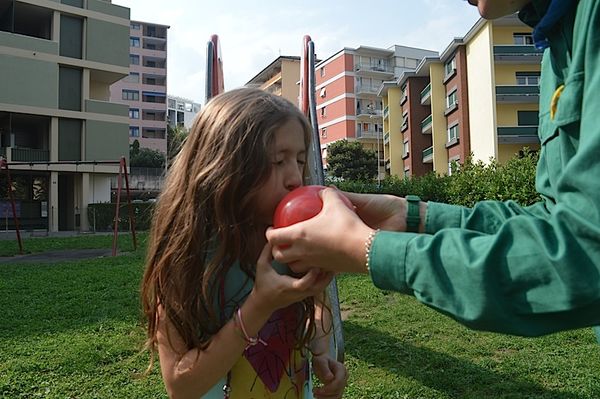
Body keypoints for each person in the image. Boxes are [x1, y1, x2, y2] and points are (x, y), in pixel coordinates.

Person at [267, 0, 600, 339]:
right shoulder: (558, 42)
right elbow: (558, 221)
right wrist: (413, 215)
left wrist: (369, 249)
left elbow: (589, 255)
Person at [141, 88, 347, 399]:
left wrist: (320, 352)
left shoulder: (292, 242)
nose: (295, 177)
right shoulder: (188, 256)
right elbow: (180, 386)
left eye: (300, 160)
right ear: (225, 168)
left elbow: (317, 303)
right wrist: (258, 306)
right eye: (278, 161)